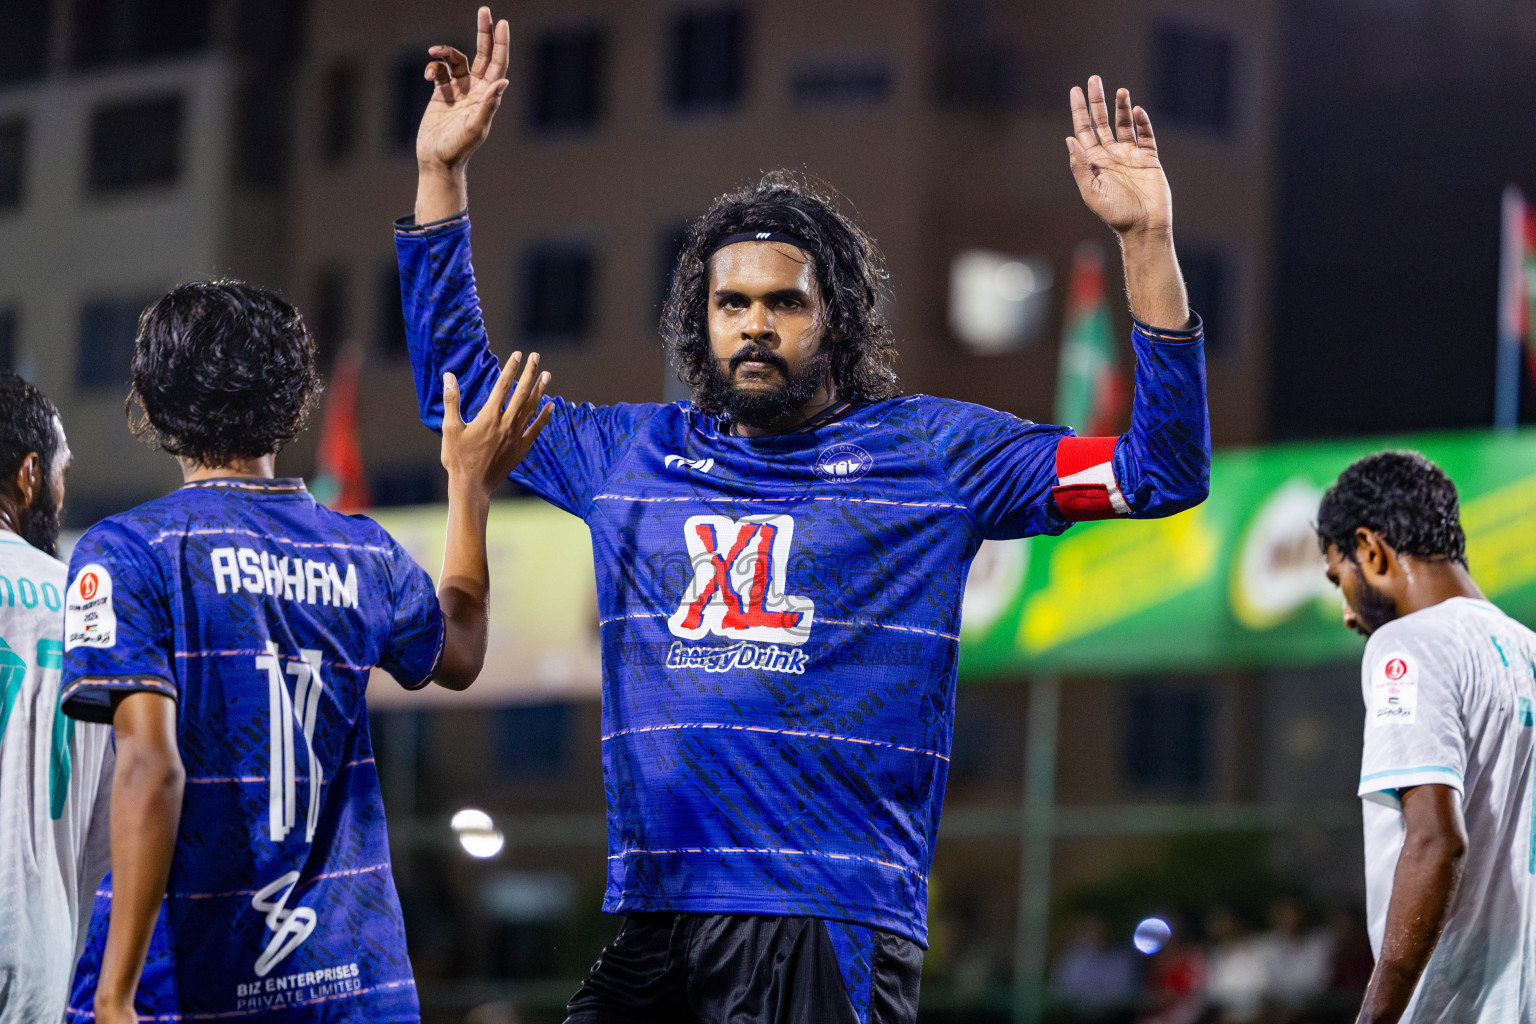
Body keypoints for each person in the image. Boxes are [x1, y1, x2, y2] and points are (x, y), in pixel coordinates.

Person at [398, 9, 1209, 1022]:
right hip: (659, 913)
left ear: (837, 318)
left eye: (783, 303)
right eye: (732, 304)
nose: (754, 325)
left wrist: (1148, 240)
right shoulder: (629, 455)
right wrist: (441, 178)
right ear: (700, 318)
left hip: (825, 913)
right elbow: (460, 400)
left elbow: (1160, 471)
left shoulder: (937, 457)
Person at [59, 281, 551, 1023]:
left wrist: (114, 995)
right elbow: (462, 651)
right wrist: (468, 487)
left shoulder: (129, 553)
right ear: (293, 404)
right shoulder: (364, 555)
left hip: (191, 985)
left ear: (151, 404)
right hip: (354, 988)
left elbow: (150, 767)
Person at [1317, 450, 1536, 1023]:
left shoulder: (1408, 644)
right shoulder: (1530, 651)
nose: (1346, 611)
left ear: (1371, 549)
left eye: (1340, 578)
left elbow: (1438, 841)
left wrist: (1375, 1018)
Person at [0, 373, 112, 1022]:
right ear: (30, 474)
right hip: (36, 946)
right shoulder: (88, 602)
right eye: (62, 472)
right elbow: (117, 812)